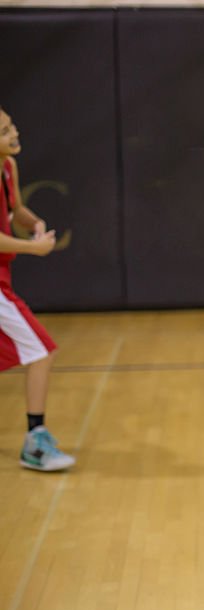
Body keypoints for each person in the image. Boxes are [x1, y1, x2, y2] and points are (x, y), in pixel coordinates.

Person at [0, 107, 75, 472]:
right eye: (4, 131)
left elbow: (13, 209)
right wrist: (34, 248)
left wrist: (34, 224)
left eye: (11, 124)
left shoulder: (8, 167)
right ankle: (35, 443)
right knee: (40, 350)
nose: (14, 133)